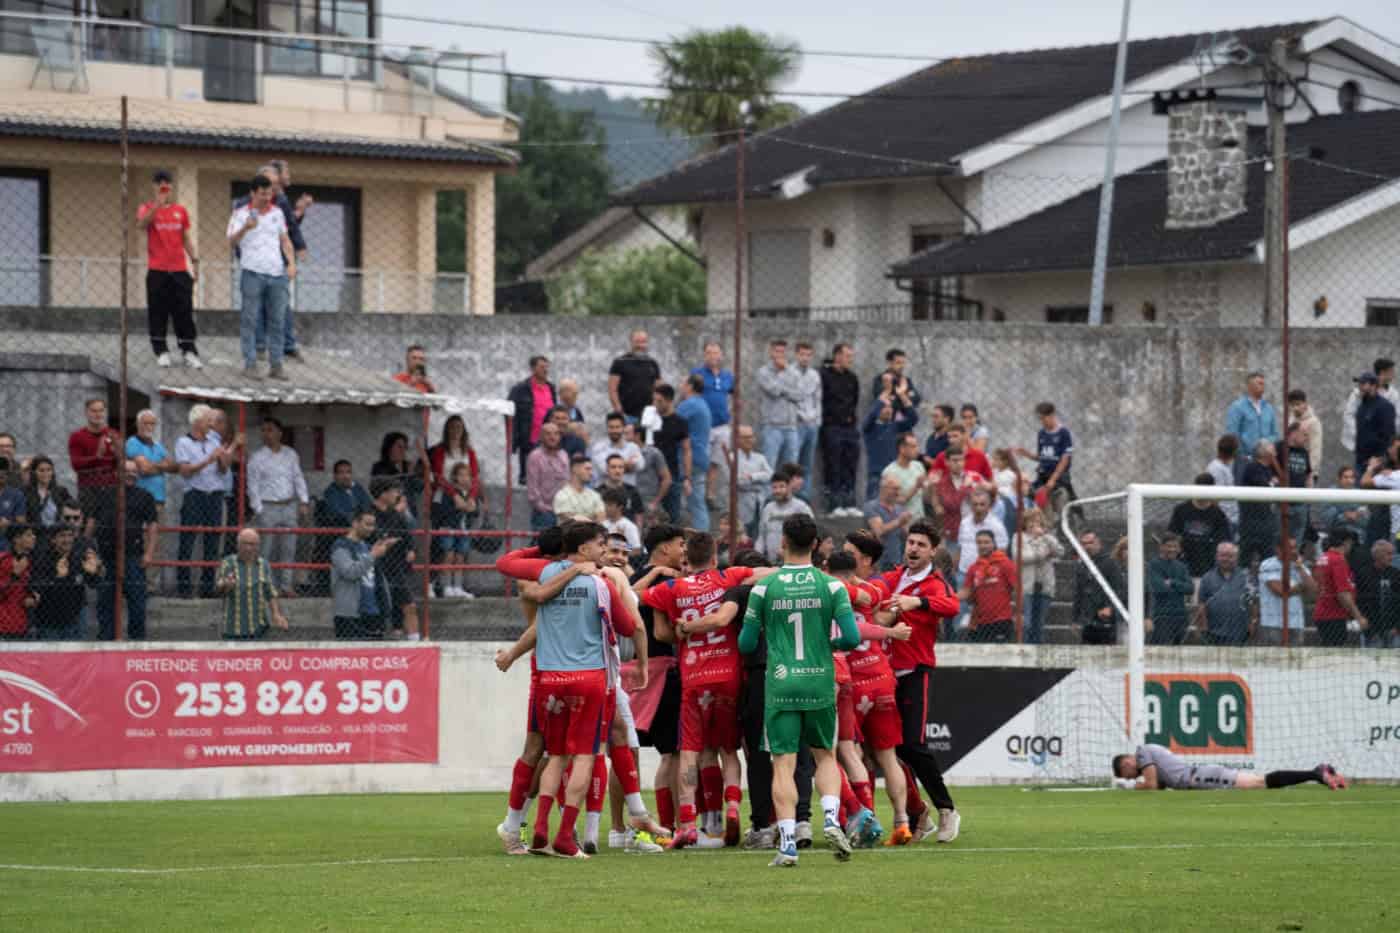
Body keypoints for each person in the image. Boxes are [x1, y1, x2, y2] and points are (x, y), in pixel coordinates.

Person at [737, 513, 861, 866]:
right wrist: (826, 646)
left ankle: (788, 843)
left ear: (783, 542)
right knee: (824, 755)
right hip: (820, 678)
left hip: (780, 681)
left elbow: (746, 645)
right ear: (816, 544)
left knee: (783, 763)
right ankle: (833, 820)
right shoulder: (832, 586)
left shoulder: (765, 587)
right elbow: (851, 638)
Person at [642, 533, 775, 849]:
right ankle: (731, 805)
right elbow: (769, 573)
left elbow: (631, 596)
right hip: (729, 676)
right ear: (715, 557)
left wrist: (655, 576)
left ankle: (688, 821)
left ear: (687, 559)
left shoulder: (670, 589)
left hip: (694, 676)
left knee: (691, 750)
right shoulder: (728, 577)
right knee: (729, 749)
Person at [528, 522, 641, 859]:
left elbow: (518, 574)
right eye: (598, 544)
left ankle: (540, 828)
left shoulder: (547, 575)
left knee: (556, 755)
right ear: (582, 548)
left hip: (550, 679)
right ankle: (565, 836)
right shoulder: (599, 584)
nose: (603, 550)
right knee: (583, 758)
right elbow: (627, 626)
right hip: (588, 679)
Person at [868, 519, 962, 844]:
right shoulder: (895, 576)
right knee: (889, 750)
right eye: (911, 543)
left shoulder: (934, 583)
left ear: (933, 551)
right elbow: (872, 589)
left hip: (915, 671)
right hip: (885, 675)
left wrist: (916, 602)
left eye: (921, 545)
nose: (914, 549)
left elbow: (953, 606)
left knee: (913, 745)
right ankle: (917, 813)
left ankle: (947, 809)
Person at [836, 532, 914, 846]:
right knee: (887, 757)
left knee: (850, 753)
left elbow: (857, 626)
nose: (845, 554)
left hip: (852, 679)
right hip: (880, 676)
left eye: (849, 551)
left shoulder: (835, 588)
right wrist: (890, 629)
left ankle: (865, 820)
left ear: (865, 560)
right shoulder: (873, 589)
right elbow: (878, 614)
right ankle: (902, 822)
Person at [232, 163, 307, 361]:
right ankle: (258, 347)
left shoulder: (280, 202)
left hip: (277, 263)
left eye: (274, 185)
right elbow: (236, 237)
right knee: (255, 307)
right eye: (268, 185)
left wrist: (296, 251)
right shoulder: (242, 205)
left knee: (281, 306)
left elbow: (288, 228)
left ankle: (287, 346)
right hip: (253, 265)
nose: (272, 190)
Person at [137, 169, 201, 368]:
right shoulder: (146, 207)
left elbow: (185, 238)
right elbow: (141, 224)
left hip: (179, 269)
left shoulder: (180, 211)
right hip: (157, 269)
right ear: (154, 186)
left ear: (172, 186)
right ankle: (161, 350)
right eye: (159, 183)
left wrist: (195, 260)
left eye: (167, 183)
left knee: (184, 311)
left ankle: (188, 350)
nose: (164, 186)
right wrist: (158, 203)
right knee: (158, 311)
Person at [94, 460, 158, 640]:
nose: (131, 474)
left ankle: (136, 642)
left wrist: (149, 553)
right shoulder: (104, 494)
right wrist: (89, 551)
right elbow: (92, 521)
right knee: (106, 602)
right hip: (106, 557)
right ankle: (107, 640)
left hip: (133, 557)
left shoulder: (145, 496)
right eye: (126, 471)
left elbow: (152, 526)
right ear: (117, 473)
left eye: (134, 471)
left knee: (138, 603)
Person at [174, 404, 234, 599]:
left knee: (212, 541)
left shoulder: (214, 441)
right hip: (194, 494)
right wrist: (209, 459)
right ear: (198, 421)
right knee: (188, 540)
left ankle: (207, 586)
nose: (212, 423)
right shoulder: (183, 442)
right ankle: (183, 586)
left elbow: (224, 470)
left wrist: (223, 457)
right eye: (208, 419)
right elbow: (185, 470)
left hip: (214, 495)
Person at [247, 417, 310, 597]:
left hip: (289, 504)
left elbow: (298, 477)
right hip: (268, 506)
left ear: (279, 433)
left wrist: (303, 501)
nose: (266, 434)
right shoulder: (257, 457)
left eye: (270, 430)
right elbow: (253, 486)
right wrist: (258, 508)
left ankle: (286, 585)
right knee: (267, 548)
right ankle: (267, 585)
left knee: (289, 547)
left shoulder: (290, 454)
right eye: (264, 430)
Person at [1113, 744, 1345, 791]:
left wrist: (1128, 788)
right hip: (1202, 775)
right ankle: (1315, 772)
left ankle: (1315, 773)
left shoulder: (1142, 751)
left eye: (1129, 774)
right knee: (1258, 781)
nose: (1134, 777)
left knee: (1259, 783)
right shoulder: (1150, 757)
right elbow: (1161, 785)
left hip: (1201, 778)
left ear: (1127, 763)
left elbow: (1152, 785)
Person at [329, 507, 396, 639]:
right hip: (349, 615)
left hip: (373, 613)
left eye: (373, 524)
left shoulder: (367, 547)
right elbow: (350, 572)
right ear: (355, 523)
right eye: (367, 524)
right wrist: (373, 555)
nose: (371, 528)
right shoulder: (340, 547)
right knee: (349, 657)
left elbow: (375, 578)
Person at [29, 522, 101, 640]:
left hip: (75, 621)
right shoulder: (43, 559)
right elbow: (37, 590)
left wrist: (93, 573)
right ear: (53, 539)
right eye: (62, 536)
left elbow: (94, 584)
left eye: (70, 535)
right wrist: (57, 577)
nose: (67, 540)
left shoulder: (78, 557)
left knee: (77, 657)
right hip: (50, 623)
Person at [216, 528, 289, 639]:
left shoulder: (264, 565)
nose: (248, 548)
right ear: (238, 545)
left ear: (258, 546)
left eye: (252, 544)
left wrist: (276, 614)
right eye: (245, 544)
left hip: (259, 629)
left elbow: (270, 592)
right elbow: (219, 590)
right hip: (233, 630)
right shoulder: (228, 563)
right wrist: (226, 585)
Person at [371, 479, 421, 641]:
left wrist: (411, 550)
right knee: (380, 608)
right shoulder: (369, 513)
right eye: (393, 491)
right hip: (375, 568)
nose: (397, 495)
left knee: (409, 605)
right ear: (383, 494)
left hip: (396, 567)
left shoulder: (396, 514)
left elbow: (407, 536)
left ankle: (415, 642)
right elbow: (377, 536)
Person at [820, 342, 861, 517]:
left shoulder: (852, 377)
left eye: (851, 356)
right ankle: (833, 504)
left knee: (850, 463)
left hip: (849, 427)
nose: (849, 359)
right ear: (837, 356)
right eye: (847, 356)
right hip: (831, 426)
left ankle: (849, 501)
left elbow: (854, 401)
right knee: (833, 463)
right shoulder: (824, 375)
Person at [861, 378, 919, 501]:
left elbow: (913, 418)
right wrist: (887, 391)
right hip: (877, 475)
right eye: (884, 407)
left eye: (890, 407)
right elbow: (872, 414)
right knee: (874, 507)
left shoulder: (895, 426)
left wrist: (902, 395)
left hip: (894, 474)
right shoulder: (870, 427)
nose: (888, 410)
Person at [1167, 476, 1233, 583]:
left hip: (1207, 566)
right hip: (1183, 563)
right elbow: (1172, 534)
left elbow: (1224, 540)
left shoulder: (1218, 514)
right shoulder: (1181, 510)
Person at [68, 398, 120, 529]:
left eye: (101, 410)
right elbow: (76, 464)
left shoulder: (113, 434)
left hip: (110, 487)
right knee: (87, 526)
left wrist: (118, 450)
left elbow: (120, 463)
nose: (98, 414)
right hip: (88, 488)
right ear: (86, 412)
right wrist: (97, 457)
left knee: (109, 527)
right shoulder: (77, 436)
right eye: (94, 411)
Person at [958, 530, 1018, 643]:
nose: (982, 546)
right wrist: (947, 597)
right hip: (981, 622)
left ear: (993, 543)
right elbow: (966, 592)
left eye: (986, 542)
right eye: (979, 543)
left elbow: (1017, 588)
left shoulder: (1005, 563)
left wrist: (1018, 612)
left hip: (1002, 620)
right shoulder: (974, 568)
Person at [1013, 507, 1062, 645]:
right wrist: (1042, 554)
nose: (1034, 524)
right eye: (1030, 521)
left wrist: (1046, 537)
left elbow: (1060, 551)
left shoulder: (1047, 538)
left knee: (1039, 624)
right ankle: (1024, 649)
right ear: (1025, 522)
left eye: (1037, 520)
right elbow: (1020, 556)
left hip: (1044, 585)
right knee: (1027, 623)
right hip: (1027, 586)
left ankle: (1037, 652)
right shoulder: (1019, 537)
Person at [691, 341, 734, 494]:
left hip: (722, 425)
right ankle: (698, 492)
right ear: (704, 355)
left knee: (716, 461)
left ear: (721, 355)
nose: (712, 356)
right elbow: (688, 394)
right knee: (702, 460)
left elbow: (735, 396)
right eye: (709, 353)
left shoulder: (727, 375)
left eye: (716, 353)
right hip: (704, 425)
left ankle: (710, 493)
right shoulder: (697, 373)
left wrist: (732, 416)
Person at [1313, 527, 1367, 647]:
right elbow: (1342, 593)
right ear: (1346, 542)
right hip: (1334, 615)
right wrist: (1358, 616)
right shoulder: (1338, 560)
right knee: (1335, 651)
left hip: (1322, 611)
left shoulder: (1323, 558)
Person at [1257, 535, 1315, 646]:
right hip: (1273, 623)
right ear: (1278, 549)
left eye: (1295, 547)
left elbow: (1313, 591)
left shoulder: (1299, 566)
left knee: (1295, 660)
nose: (1293, 551)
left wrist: (1300, 568)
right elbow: (1280, 591)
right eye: (1290, 548)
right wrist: (1301, 587)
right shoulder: (1267, 565)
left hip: (1296, 623)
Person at [1014, 402, 1075, 507]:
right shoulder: (1042, 433)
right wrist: (1026, 453)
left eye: (1043, 418)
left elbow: (1065, 459)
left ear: (1052, 415)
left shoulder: (1063, 433)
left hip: (1059, 478)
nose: (1041, 421)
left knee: (1064, 504)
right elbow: (1042, 457)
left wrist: (1053, 479)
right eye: (1039, 419)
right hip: (1043, 477)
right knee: (1027, 493)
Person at [1193, 542, 1255, 646]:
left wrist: (1252, 621)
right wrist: (1203, 626)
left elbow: (1252, 602)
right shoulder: (1207, 578)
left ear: (1236, 558)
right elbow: (1201, 603)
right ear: (1217, 557)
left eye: (1230, 556)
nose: (1226, 559)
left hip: (1240, 631)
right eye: (1223, 555)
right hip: (1214, 632)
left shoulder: (1246, 577)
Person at [507, 355, 556, 484]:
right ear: (533, 368)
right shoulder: (520, 389)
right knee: (528, 477)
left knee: (547, 476)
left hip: (549, 440)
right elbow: (509, 412)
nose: (545, 370)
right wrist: (514, 435)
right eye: (542, 367)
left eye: (547, 367)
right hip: (529, 439)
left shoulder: (551, 388)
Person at [434, 462, 479, 598]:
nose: (465, 478)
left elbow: (475, 512)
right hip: (448, 528)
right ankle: (446, 586)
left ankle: (458, 586)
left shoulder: (470, 494)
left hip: (464, 530)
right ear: (454, 477)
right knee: (448, 555)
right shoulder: (447, 492)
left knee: (460, 557)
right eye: (461, 475)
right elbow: (440, 510)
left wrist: (473, 509)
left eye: (468, 475)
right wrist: (459, 508)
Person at [757, 339, 801, 474]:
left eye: (783, 352)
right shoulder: (763, 372)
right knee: (769, 467)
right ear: (771, 352)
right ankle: (768, 495)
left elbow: (799, 395)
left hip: (791, 427)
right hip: (772, 427)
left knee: (791, 467)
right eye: (777, 351)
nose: (780, 355)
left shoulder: (794, 371)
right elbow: (774, 391)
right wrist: (784, 375)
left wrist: (784, 389)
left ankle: (787, 494)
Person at [1342, 358, 1400, 459]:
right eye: (1391, 371)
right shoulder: (1357, 394)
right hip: (1362, 447)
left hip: (1383, 445)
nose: (1393, 374)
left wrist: (1390, 439)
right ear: (1383, 372)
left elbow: (1397, 418)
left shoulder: (1393, 395)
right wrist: (1359, 434)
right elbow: (1348, 415)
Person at [676, 374, 714, 530]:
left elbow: (670, 421)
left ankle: (700, 538)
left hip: (688, 459)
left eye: (683, 383)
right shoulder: (702, 404)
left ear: (690, 386)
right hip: (699, 457)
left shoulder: (689, 404)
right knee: (697, 502)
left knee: (694, 503)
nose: (680, 386)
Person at [125, 410, 176, 523]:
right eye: (145, 423)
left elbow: (174, 467)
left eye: (152, 424)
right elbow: (145, 469)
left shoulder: (158, 446)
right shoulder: (132, 442)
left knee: (157, 536)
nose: (149, 427)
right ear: (138, 424)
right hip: (140, 497)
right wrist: (162, 466)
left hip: (158, 499)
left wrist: (153, 465)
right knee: (142, 535)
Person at [649, 385, 690, 523]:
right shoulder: (649, 420)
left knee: (673, 517)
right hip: (650, 476)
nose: (655, 404)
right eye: (654, 400)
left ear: (669, 401)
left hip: (672, 475)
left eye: (659, 401)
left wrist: (687, 478)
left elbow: (686, 450)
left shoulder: (680, 422)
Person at [1073, 530, 1123, 645]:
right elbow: (1078, 593)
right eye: (1084, 544)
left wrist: (1110, 608)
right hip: (1087, 619)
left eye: (1090, 542)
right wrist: (1075, 619)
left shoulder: (1110, 563)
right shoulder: (1081, 565)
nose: (1087, 546)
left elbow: (1119, 588)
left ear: (1098, 543)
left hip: (1105, 618)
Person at [928, 448, 979, 558]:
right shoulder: (942, 482)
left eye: (961, 460)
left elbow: (981, 501)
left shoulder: (973, 477)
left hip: (973, 530)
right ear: (947, 462)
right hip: (953, 533)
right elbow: (952, 504)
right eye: (955, 460)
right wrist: (965, 488)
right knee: (953, 567)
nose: (959, 464)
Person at [1238, 440, 1279, 568]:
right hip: (1252, 522)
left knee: (1268, 557)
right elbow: (1264, 487)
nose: (1274, 448)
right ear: (1263, 451)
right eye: (1271, 446)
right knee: (1246, 556)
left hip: (1266, 522)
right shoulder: (1253, 467)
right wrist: (1272, 483)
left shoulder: (1269, 469)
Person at [728, 425, 773, 540]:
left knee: (759, 532)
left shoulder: (760, 458)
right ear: (737, 439)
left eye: (751, 437)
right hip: (742, 500)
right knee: (743, 534)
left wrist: (752, 476)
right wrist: (759, 478)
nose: (749, 440)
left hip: (760, 499)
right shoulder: (732, 457)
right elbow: (739, 481)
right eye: (745, 437)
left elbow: (770, 475)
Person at [1147, 533, 1193, 646]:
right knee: (1161, 650)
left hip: (1181, 616)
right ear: (1161, 547)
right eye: (1168, 546)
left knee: (1181, 651)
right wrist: (1180, 587)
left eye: (1175, 546)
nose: (1172, 549)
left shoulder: (1181, 566)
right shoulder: (1153, 565)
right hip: (1162, 616)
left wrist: (1172, 582)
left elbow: (1190, 589)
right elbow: (1159, 589)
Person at [758, 472, 813, 562]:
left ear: (789, 486)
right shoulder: (768, 508)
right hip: (771, 562)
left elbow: (810, 534)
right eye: (774, 487)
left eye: (781, 486)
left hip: (795, 561)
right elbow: (761, 536)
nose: (778, 491)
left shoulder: (801, 507)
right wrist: (758, 556)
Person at [792, 342, 823, 504]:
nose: (805, 358)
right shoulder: (790, 372)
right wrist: (802, 415)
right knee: (793, 462)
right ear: (796, 355)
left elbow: (817, 398)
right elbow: (791, 397)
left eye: (808, 355)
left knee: (808, 464)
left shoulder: (814, 375)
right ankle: (792, 496)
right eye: (802, 354)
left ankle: (805, 497)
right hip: (797, 422)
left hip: (812, 423)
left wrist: (815, 418)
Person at [609, 329, 662, 423]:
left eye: (643, 342)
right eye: (637, 342)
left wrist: (655, 410)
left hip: (648, 416)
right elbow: (612, 389)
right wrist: (618, 410)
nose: (640, 345)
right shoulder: (620, 362)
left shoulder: (652, 363)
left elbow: (659, 389)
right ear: (631, 342)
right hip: (627, 415)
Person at [1356, 540, 1400, 649]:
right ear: (1378, 555)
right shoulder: (1363, 574)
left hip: (1393, 628)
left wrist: (1397, 628)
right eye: (1388, 554)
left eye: (1392, 554)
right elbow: (1360, 602)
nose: (1391, 557)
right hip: (1372, 630)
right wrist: (1369, 630)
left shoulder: (1396, 574)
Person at [525, 422, 569, 531]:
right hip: (544, 512)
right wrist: (545, 509)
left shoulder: (563, 455)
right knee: (544, 545)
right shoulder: (535, 457)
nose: (552, 437)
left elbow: (567, 481)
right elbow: (533, 489)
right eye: (548, 434)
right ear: (541, 436)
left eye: (556, 434)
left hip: (563, 510)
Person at [956, 490, 1008, 581]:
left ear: (989, 506)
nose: (978, 508)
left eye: (982, 504)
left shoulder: (997, 526)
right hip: (963, 573)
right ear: (971, 506)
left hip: (985, 575)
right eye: (975, 504)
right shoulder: (964, 523)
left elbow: (1002, 552)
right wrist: (955, 568)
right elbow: (960, 547)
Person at [1353, 371, 1399, 473]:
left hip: (1376, 464)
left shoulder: (1384, 406)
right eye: (1359, 383)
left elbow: (1388, 436)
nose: (1359, 387)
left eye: (1363, 384)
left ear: (1374, 386)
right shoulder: (1362, 406)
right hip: (1361, 461)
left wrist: (1379, 458)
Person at [864, 475, 912, 571]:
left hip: (896, 560)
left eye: (899, 489)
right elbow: (879, 531)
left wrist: (907, 526)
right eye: (895, 489)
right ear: (883, 489)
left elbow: (906, 535)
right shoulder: (872, 507)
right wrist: (899, 521)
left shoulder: (900, 509)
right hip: (877, 561)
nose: (897, 493)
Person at [1225, 371, 1279, 455]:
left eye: (1263, 384)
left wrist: (1266, 442)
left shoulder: (1269, 408)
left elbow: (1275, 434)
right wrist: (1242, 455)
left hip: (1266, 459)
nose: (1263, 386)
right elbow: (1232, 433)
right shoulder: (1237, 407)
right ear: (1249, 386)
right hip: (1245, 458)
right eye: (1259, 383)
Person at [628, 423, 672, 522]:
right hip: (629, 500)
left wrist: (655, 502)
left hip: (648, 499)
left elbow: (667, 479)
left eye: (627, 433)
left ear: (637, 435)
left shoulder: (653, 453)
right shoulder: (623, 453)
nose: (623, 436)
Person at [0, 525, 38, 639]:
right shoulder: (4, 561)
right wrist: (15, 575)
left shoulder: (32, 560)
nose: (34, 537)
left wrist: (34, 597)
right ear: (16, 539)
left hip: (23, 624)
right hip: (5, 626)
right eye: (29, 535)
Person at [881, 432, 928, 522]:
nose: (917, 450)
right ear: (902, 449)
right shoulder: (890, 472)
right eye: (913, 447)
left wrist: (933, 485)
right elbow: (894, 502)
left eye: (917, 446)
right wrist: (916, 487)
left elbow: (925, 495)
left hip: (920, 521)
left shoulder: (918, 466)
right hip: (902, 525)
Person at [21, 456, 73, 535]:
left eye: (49, 470)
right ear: (34, 472)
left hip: (58, 533)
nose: (45, 473)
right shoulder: (25, 492)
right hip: (35, 533)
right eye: (41, 470)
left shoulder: (61, 491)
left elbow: (72, 507)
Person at [588, 413, 642, 488]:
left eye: (617, 427)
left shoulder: (633, 447)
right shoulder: (598, 448)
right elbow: (604, 469)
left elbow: (640, 466)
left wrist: (614, 467)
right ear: (607, 428)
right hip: (604, 492)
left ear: (623, 428)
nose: (614, 430)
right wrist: (627, 465)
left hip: (628, 492)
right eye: (611, 427)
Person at [553, 455, 606, 523]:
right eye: (587, 469)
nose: (591, 473)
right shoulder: (561, 495)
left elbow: (601, 518)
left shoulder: (595, 495)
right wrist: (592, 519)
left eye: (591, 469)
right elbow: (570, 520)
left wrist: (579, 517)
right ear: (575, 469)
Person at [1206, 434, 1242, 532]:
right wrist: (1221, 518)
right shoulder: (1216, 469)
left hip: (1232, 516)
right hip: (1225, 518)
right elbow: (1215, 498)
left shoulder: (1226, 467)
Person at [1287, 389, 1323, 483]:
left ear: (1305, 404)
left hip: (1306, 471)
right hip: (1291, 469)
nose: (1295, 408)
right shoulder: (1291, 420)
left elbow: (1315, 449)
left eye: (1298, 404)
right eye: (1292, 405)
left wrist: (1312, 472)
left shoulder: (1313, 422)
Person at [871, 348, 920, 415]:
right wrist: (905, 398)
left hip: (904, 421)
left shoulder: (906, 380)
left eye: (903, 363)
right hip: (887, 420)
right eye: (898, 363)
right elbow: (883, 402)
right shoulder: (880, 380)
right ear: (889, 363)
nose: (902, 366)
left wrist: (895, 397)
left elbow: (916, 400)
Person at [599, 455, 645, 523]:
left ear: (624, 469)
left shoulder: (632, 491)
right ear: (607, 469)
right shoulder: (598, 492)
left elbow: (639, 514)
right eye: (613, 467)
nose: (617, 471)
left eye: (620, 467)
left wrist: (638, 532)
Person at [601, 488, 641, 553]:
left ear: (620, 507)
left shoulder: (629, 526)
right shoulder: (602, 525)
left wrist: (618, 543)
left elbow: (636, 550)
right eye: (605, 504)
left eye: (609, 505)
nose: (606, 508)